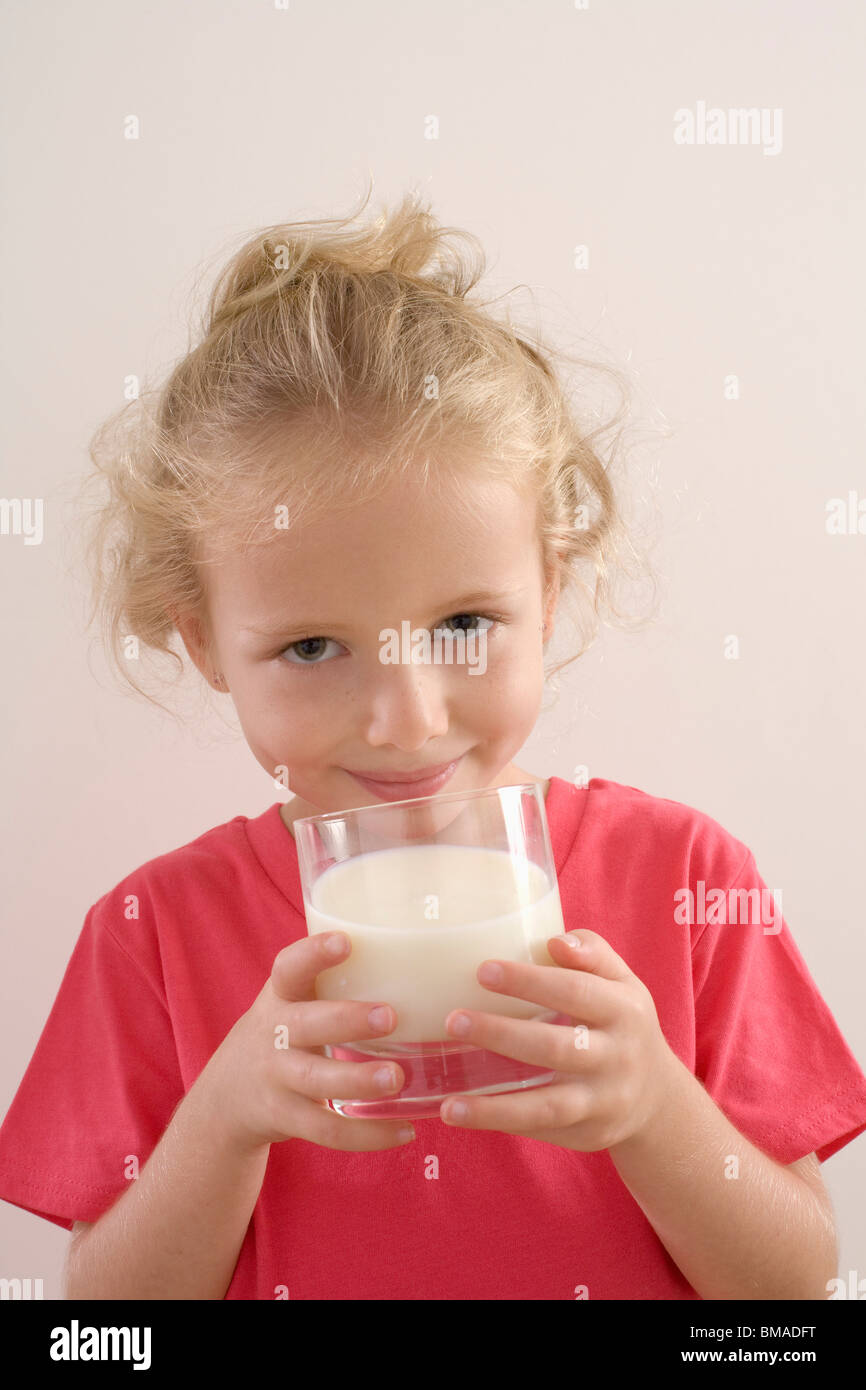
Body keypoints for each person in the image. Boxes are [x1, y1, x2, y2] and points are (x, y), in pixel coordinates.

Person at [1, 187, 865, 1301]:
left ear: (546, 593)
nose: (406, 717)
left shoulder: (689, 881)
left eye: (462, 625)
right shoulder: (153, 933)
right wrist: (220, 1123)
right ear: (206, 643)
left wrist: (655, 1108)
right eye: (313, 646)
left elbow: (794, 1293)